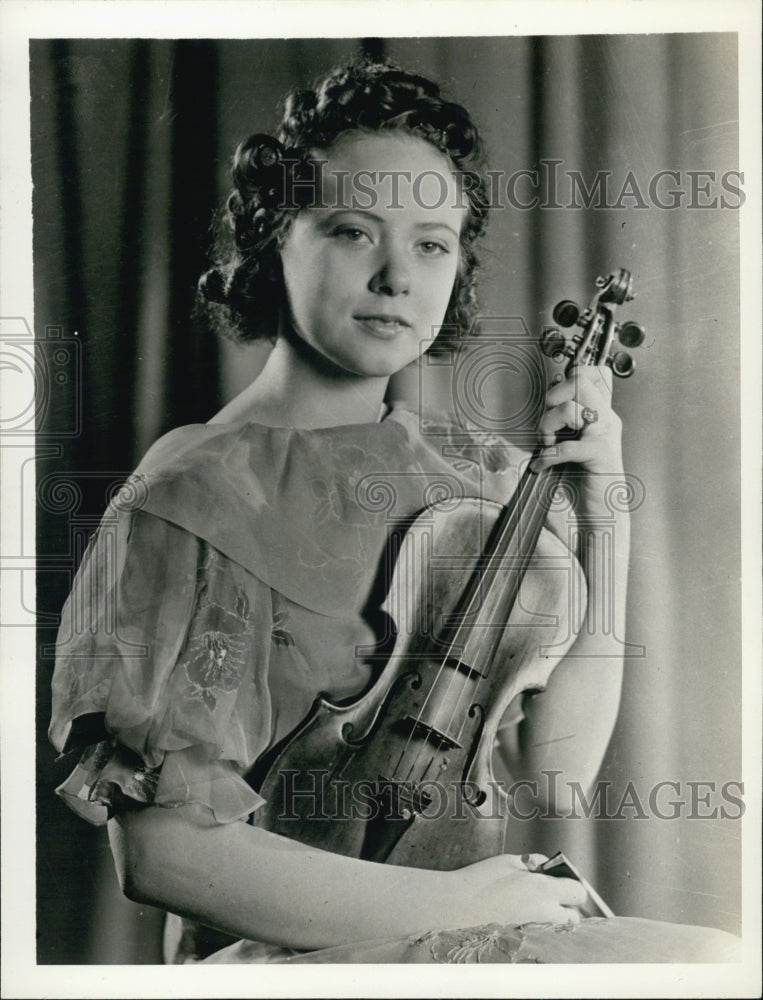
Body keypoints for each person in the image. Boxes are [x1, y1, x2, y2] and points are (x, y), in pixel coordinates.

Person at [48, 59, 739, 964]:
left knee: (716, 957)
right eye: (350, 231)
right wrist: (450, 905)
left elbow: (559, 773)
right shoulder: (192, 492)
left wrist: (602, 514)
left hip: (458, 923)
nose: (394, 277)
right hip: (284, 956)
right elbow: (164, 855)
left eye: (430, 244)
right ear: (272, 238)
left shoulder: (473, 478)